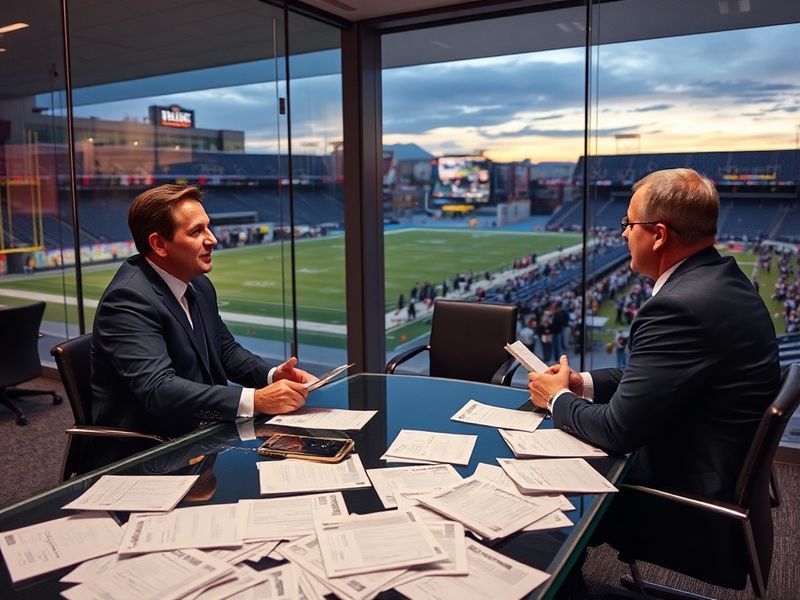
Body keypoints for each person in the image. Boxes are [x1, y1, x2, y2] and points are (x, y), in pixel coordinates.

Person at [528, 168, 780, 587]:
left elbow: (617, 431)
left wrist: (556, 399)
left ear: (658, 235)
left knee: (543, 491)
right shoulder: (722, 279)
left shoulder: (678, 307)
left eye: (629, 223)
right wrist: (581, 384)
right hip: (716, 466)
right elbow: (655, 375)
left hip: (688, 502)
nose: (624, 233)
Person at [91, 184, 313, 441]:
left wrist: (272, 375)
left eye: (208, 227)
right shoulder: (127, 300)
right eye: (197, 231)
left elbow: (225, 351)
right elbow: (159, 389)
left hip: (203, 433)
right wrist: (256, 399)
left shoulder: (198, 284)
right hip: (151, 448)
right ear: (159, 244)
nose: (212, 239)